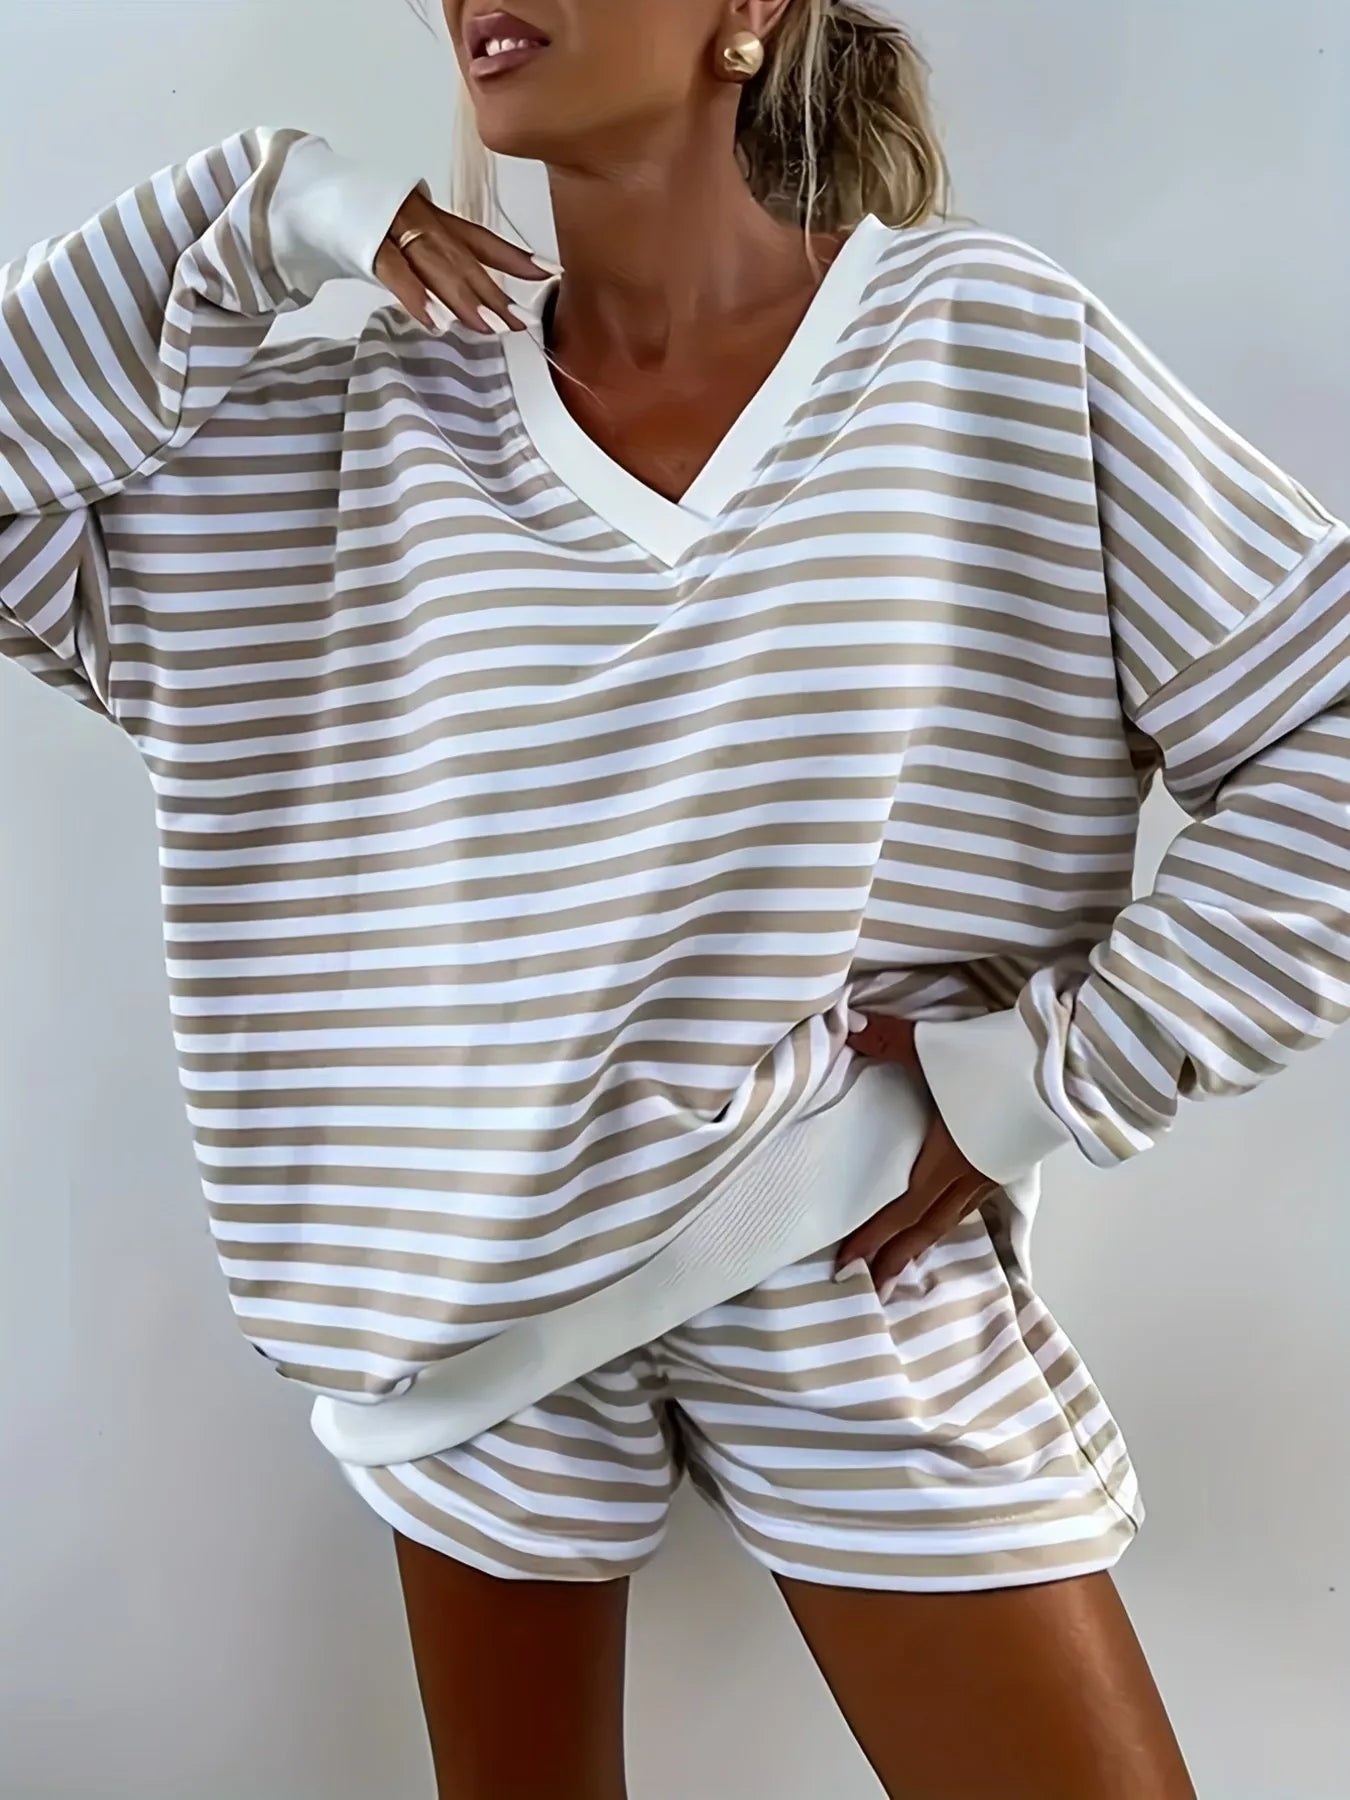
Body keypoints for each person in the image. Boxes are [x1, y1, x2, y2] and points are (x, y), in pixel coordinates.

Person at [3, 0, 1346, 1793]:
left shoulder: (980, 347)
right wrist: (274, 207)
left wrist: (1048, 1077)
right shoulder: (355, 430)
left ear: (748, 16)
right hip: (458, 1322)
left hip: (845, 1256)